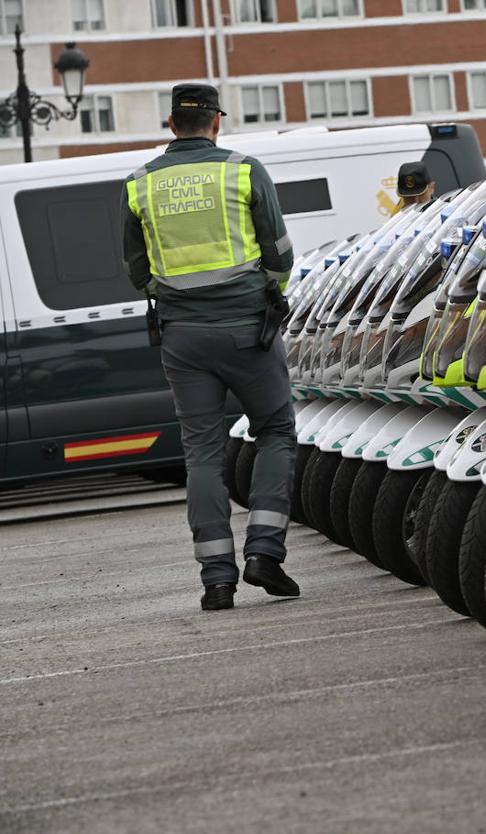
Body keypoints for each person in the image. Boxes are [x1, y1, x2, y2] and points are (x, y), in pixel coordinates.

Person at [122, 83, 300, 612]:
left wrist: (175, 296)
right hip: (249, 329)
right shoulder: (243, 169)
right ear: (216, 123)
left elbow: (137, 271)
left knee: (201, 452)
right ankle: (265, 551)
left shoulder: (137, 185)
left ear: (172, 125)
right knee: (275, 433)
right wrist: (270, 292)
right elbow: (279, 251)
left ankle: (216, 580)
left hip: (182, 336)